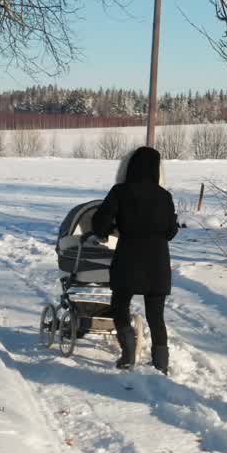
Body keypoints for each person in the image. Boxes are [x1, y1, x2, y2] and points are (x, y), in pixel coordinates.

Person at [91, 146, 178, 373]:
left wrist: (111, 229)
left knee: (120, 305)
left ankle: (128, 354)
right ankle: (161, 364)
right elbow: (171, 231)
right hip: (158, 262)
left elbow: (98, 224)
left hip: (128, 257)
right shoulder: (164, 196)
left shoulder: (120, 191)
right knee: (156, 315)